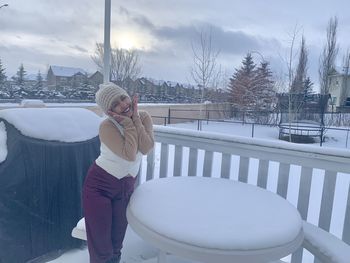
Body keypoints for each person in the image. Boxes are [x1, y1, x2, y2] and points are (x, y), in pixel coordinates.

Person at [82, 82, 154, 263]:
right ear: (109, 111)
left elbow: (145, 148)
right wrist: (129, 124)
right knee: (101, 245)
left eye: (123, 98)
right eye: (115, 104)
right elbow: (129, 155)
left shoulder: (144, 117)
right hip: (99, 186)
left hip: (125, 187)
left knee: (116, 242)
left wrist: (135, 118)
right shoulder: (107, 126)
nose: (123, 104)